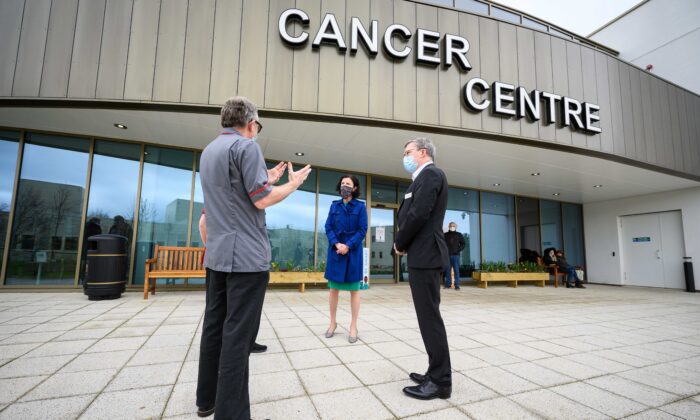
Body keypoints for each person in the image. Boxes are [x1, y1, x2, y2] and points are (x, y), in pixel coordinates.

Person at [196, 96, 311, 419]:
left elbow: (217, 208)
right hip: (246, 259)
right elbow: (260, 200)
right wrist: (291, 185)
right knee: (238, 336)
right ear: (250, 123)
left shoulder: (209, 152)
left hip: (217, 256)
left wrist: (267, 177)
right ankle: (232, 414)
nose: (257, 130)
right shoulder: (247, 148)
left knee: (214, 326)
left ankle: (206, 400)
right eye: (258, 125)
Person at [394, 137, 452, 400]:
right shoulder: (419, 179)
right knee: (427, 318)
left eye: (408, 152)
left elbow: (418, 214)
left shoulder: (431, 174)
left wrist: (399, 242)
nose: (404, 157)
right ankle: (434, 371)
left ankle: (440, 382)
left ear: (423, 152)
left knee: (430, 319)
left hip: (427, 256)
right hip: (422, 255)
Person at [198, 208, 267, 354]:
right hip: (225, 262)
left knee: (240, 307)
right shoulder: (223, 198)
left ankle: (246, 341)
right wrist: (211, 247)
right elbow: (203, 224)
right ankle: (230, 343)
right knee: (226, 307)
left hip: (234, 259)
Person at [323, 175, 368, 344]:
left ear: (354, 188)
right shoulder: (334, 205)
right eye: (342, 183)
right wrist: (336, 244)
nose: (344, 186)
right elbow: (328, 227)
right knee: (333, 289)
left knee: (354, 290)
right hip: (335, 252)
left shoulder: (360, 207)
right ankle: (332, 323)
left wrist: (348, 245)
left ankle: (353, 326)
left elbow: (362, 230)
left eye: (348, 184)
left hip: (353, 252)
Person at [443, 222, 465, 289]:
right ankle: (448, 285)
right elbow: (442, 244)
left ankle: (457, 285)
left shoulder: (459, 235)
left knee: (456, 270)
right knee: (447, 270)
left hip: (456, 256)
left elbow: (463, 244)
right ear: (449, 226)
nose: (452, 227)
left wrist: (458, 249)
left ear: (456, 227)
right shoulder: (445, 235)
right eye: (451, 226)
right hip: (447, 255)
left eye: (453, 226)